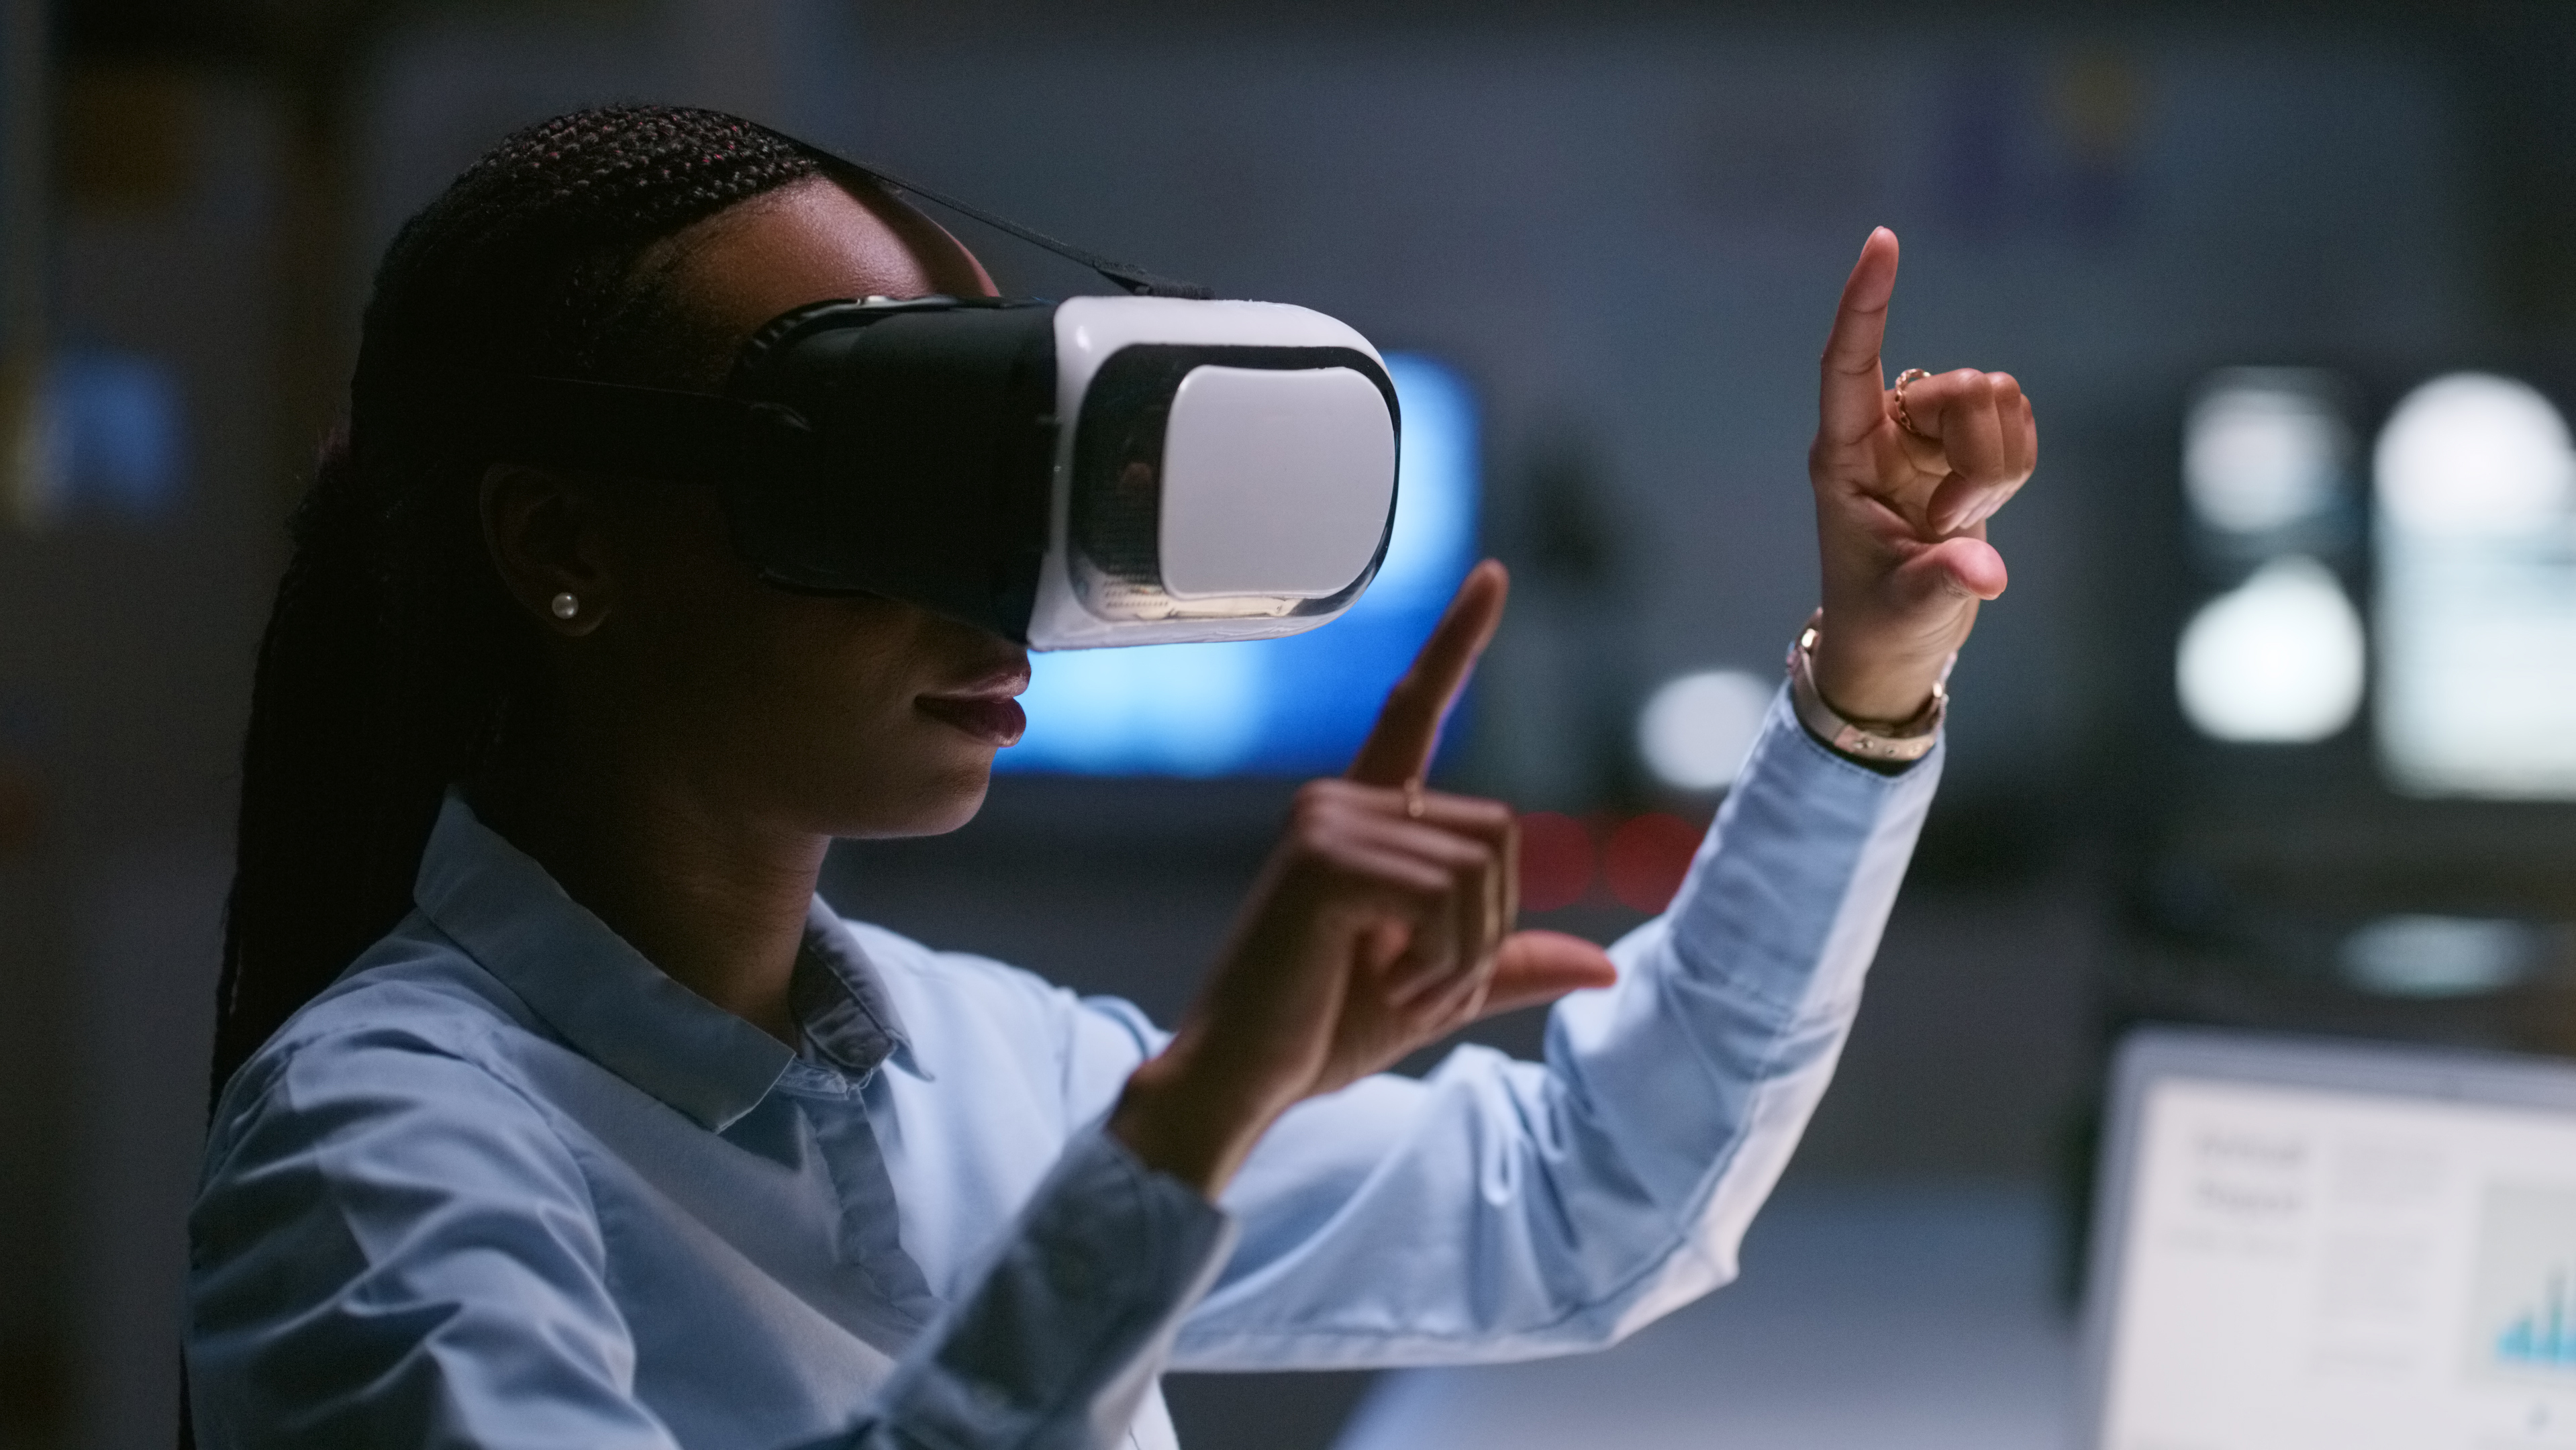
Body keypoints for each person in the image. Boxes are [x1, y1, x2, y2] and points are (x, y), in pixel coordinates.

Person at [185, 105, 2035, 1450]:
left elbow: (1589, 1203)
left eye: (1032, 493)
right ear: (559, 541)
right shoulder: (380, 1159)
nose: (1008, 592)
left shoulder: (979, 1068)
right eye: (895, 471)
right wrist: (1187, 1128)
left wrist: (1864, 691)